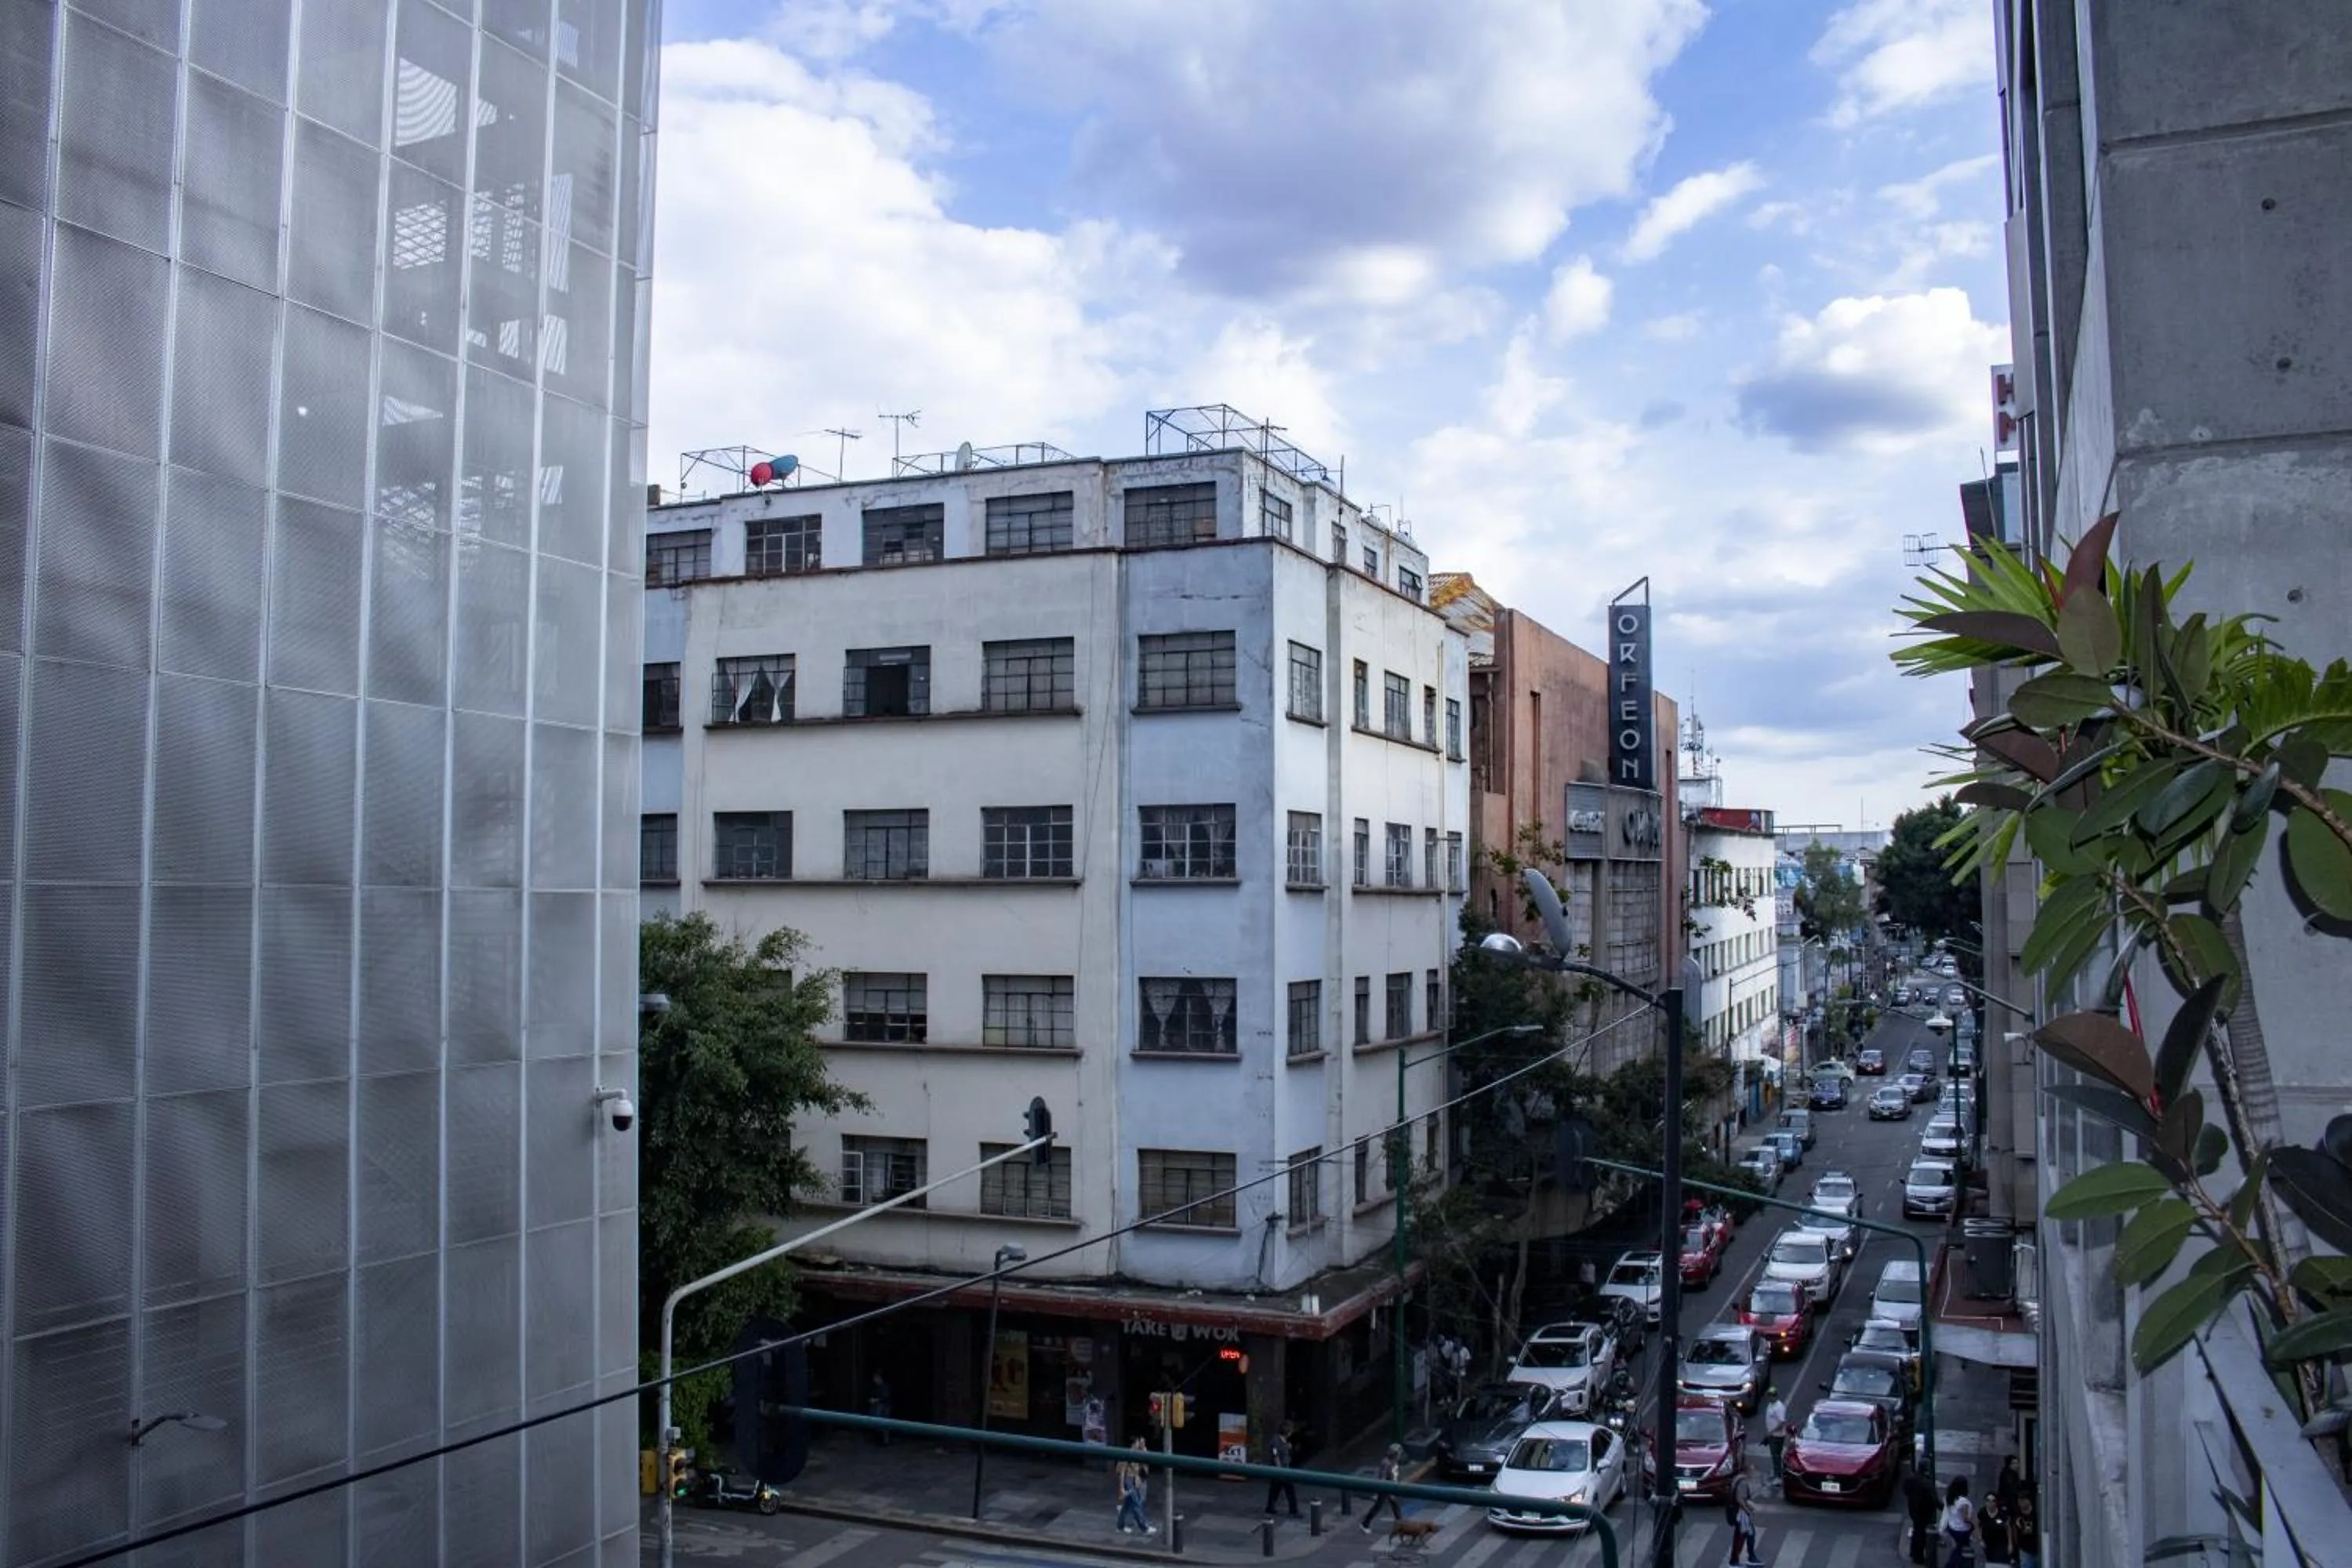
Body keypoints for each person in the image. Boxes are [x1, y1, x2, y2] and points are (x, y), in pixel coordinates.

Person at [1724, 1456, 1763, 1566]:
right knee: (1742, 1537)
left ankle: (1750, 1557)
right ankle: (1736, 1561)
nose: (1754, 1473)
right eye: (1752, 1470)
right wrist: (1748, 1509)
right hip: (1741, 1514)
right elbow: (1740, 1499)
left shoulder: (1737, 1478)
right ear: (1747, 1470)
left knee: (1748, 1534)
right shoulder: (1743, 1482)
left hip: (1739, 1513)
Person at [1362, 1444, 1406, 1532]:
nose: (1399, 1456)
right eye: (1398, 1454)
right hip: (1386, 1488)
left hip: (1391, 1487)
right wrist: (1382, 1488)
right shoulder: (1386, 1463)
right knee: (1378, 1507)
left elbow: (1394, 1475)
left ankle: (1400, 1523)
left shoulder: (1394, 1462)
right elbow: (1383, 1477)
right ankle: (1365, 1524)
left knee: (1395, 1505)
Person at [1903, 1469, 1941, 1565]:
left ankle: (1913, 1552)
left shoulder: (1910, 1479)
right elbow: (1935, 1500)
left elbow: (1905, 1490)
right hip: (1925, 1512)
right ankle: (1918, 1557)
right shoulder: (1927, 1484)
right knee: (1921, 1535)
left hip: (1913, 1510)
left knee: (1917, 1531)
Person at [1116, 1441, 1154, 1535]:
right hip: (1128, 1481)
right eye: (1138, 1443)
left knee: (1127, 1505)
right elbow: (1122, 1472)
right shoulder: (1127, 1455)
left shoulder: (1138, 1454)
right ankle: (1144, 1527)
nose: (1139, 1444)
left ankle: (1120, 1526)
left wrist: (1144, 1451)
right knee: (1136, 1504)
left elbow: (1144, 1469)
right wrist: (1121, 1488)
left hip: (1134, 1481)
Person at [1263, 1421, 1299, 1517]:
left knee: (1275, 1490)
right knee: (1289, 1490)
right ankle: (1293, 1511)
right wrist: (1279, 1470)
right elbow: (1276, 1456)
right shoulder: (1276, 1441)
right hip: (1281, 1471)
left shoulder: (1283, 1441)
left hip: (1284, 1469)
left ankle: (1270, 1508)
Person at [1943, 1475, 1977, 1568]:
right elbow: (1965, 1518)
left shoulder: (1950, 1498)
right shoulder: (1963, 1502)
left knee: (1960, 1547)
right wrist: (1973, 1522)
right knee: (1961, 1549)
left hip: (1952, 1527)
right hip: (1962, 1530)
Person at [1762, 1388, 1789, 1486]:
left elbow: (1782, 1423)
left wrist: (1771, 1432)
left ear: (1776, 1396)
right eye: (1769, 1395)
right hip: (1772, 1435)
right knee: (1774, 1456)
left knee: (1776, 1456)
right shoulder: (1771, 1404)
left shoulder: (1779, 1407)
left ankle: (1779, 1478)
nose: (1770, 1397)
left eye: (1772, 1395)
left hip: (1777, 1436)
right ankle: (1776, 1474)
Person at [2014, 1488, 2039, 1568]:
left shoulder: (2036, 1514)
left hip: (2036, 1546)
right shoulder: (2017, 1515)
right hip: (2024, 1548)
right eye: (2020, 1500)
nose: (2021, 1502)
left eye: (2023, 1499)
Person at [867, 1371, 892, 1446]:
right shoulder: (876, 1387)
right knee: (877, 1424)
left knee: (884, 1425)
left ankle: (885, 1442)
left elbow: (885, 1398)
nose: (874, 1380)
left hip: (885, 1407)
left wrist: (875, 1400)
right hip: (878, 1408)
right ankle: (879, 1441)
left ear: (879, 1378)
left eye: (875, 1378)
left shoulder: (885, 1387)